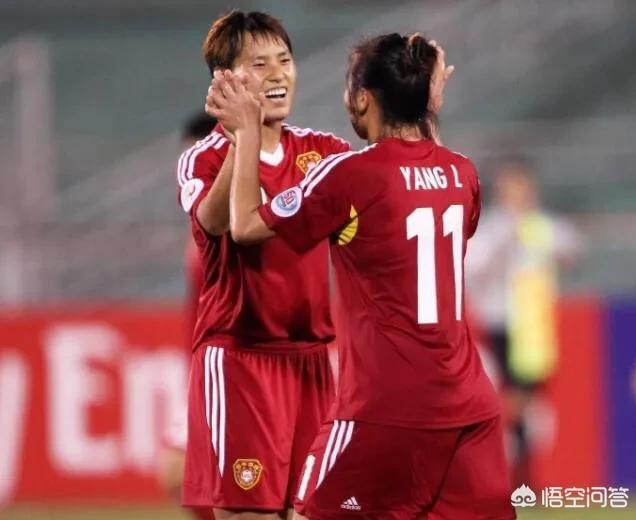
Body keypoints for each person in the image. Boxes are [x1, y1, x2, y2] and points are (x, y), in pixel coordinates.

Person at [208, 32, 514, 519]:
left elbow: (244, 226)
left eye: (349, 86)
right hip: (470, 411)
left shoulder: (349, 174)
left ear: (364, 98)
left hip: (384, 408)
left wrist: (245, 133)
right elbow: (425, 173)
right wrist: (426, 108)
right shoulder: (463, 173)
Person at [177, 11, 352, 519]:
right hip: (242, 360)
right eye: (260, 64)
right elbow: (216, 222)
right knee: (249, 513)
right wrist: (243, 137)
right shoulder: (203, 158)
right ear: (226, 79)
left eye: (285, 60)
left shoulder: (325, 152)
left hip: (314, 362)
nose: (278, 74)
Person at [466, 160, 583, 484]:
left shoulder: (541, 226)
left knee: (527, 398)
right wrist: (506, 239)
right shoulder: (490, 228)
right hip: (498, 321)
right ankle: (508, 467)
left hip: (532, 326)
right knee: (509, 396)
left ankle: (523, 469)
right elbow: (472, 268)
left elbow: (572, 249)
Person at [160, 112, 217, 520]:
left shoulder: (227, 215)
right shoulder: (197, 215)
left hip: (221, 363)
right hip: (200, 366)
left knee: (177, 472)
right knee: (183, 476)